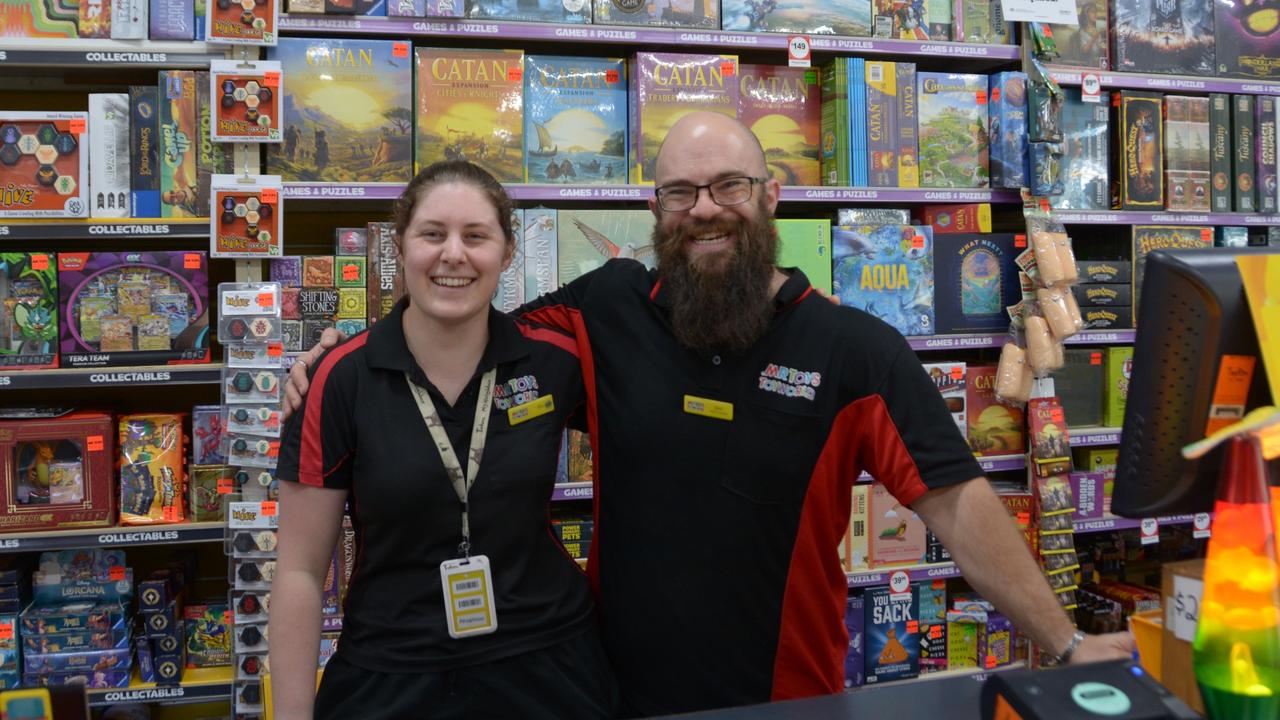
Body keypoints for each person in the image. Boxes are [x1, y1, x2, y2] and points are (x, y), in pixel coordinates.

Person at [286, 112, 1136, 717]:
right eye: (680, 191)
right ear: (654, 210)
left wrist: (1063, 648)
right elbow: (459, 324)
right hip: (604, 690)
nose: (704, 208)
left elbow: (957, 500)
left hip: (784, 698)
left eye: (728, 185)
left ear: (770, 197)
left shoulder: (855, 351)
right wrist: (336, 359)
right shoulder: (603, 311)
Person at [271, 161, 617, 720]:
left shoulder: (557, 359)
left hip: (549, 665)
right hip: (391, 671)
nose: (453, 254)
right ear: (399, 247)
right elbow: (300, 573)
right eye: (432, 234)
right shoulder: (338, 379)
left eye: (475, 236)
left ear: (506, 255)